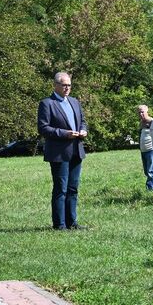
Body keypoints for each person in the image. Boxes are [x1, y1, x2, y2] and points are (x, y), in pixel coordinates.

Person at [38, 72, 88, 229]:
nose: (67, 88)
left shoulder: (74, 102)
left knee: (73, 188)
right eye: (64, 85)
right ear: (55, 85)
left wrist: (83, 130)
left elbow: (83, 121)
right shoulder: (47, 103)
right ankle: (59, 224)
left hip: (76, 150)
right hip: (59, 152)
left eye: (69, 85)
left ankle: (72, 222)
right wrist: (64, 133)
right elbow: (43, 128)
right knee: (61, 189)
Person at [136, 104, 153, 191]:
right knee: (146, 171)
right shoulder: (141, 123)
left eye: (142, 112)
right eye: (139, 113)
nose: (141, 114)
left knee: (150, 171)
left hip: (151, 149)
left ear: (147, 111)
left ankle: (150, 189)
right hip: (143, 150)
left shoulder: (152, 121)